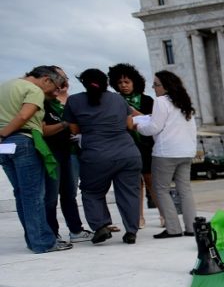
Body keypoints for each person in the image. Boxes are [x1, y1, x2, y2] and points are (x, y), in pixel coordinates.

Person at [63, 68, 142, 245]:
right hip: (127, 153)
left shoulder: (74, 101)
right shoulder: (118, 99)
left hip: (96, 154)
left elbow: (74, 130)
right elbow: (129, 124)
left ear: (83, 83)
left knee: (92, 191)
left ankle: (101, 226)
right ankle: (131, 231)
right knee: (129, 193)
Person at [0, 66, 70, 253]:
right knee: (33, 195)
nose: (55, 92)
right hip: (24, 141)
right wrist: (4, 133)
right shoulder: (34, 90)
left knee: (21, 194)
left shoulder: (5, 86)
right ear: (46, 79)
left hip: (5, 147)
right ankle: (43, 242)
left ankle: (33, 240)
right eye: (55, 87)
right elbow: (24, 115)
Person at [136, 71, 198, 239]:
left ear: (166, 86)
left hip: (166, 152)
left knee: (161, 189)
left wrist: (138, 127)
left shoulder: (161, 101)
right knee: (185, 189)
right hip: (186, 152)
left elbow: (154, 127)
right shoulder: (184, 102)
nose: (154, 88)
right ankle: (192, 227)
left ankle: (173, 228)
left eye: (156, 84)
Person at [41, 66, 91, 243]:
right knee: (51, 196)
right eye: (58, 78)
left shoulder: (72, 100)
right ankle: (51, 233)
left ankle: (76, 230)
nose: (62, 82)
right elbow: (43, 129)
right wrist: (65, 124)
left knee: (69, 193)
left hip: (72, 152)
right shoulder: (43, 102)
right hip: (52, 153)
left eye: (64, 77)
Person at [108, 63, 157, 229]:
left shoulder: (147, 100)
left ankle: (164, 215)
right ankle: (138, 217)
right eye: (120, 82)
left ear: (134, 82)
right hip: (126, 146)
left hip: (146, 146)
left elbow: (151, 120)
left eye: (127, 82)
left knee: (152, 182)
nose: (124, 85)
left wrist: (130, 110)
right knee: (135, 184)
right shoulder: (113, 100)